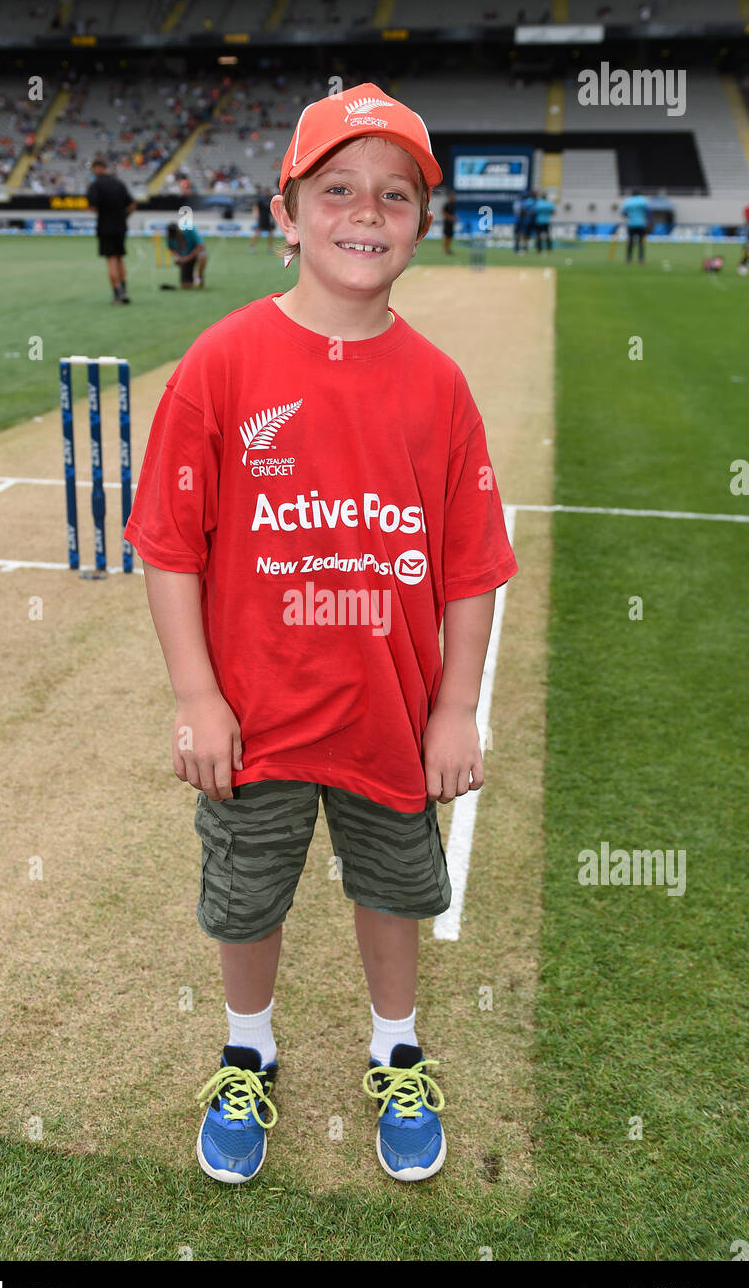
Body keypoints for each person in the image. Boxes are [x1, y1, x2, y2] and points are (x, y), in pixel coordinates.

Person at [123, 82, 518, 1186]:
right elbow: (169, 544)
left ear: (422, 224)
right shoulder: (223, 362)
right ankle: (248, 1050)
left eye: (395, 195)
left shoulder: (438, 386)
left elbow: (471, 567)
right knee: (247, 893)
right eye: (337, 189)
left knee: (392, 888)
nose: (365, 213)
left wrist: (454, 707)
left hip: (390, 715)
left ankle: (397, 1050)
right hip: (256, 718)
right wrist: (197, 696)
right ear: (286, 214)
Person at [86, 155, 135, 304]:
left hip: (105, 228)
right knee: (120, 258)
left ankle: (117, 294)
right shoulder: (119, 183)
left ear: (96, 169)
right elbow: (132, 205)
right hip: (120, 227)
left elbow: (92, 207)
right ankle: (125, 291)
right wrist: (123, 217)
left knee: (111, 259)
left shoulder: (95, 185)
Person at [161, 220, 207, 290]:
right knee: (186, 286)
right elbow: (171, 248)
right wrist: (177, 257)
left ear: (178, 231)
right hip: (184, 257)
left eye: (175, 236)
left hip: (195, 253)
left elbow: (201, 245)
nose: (174, 238)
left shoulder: (190, 229)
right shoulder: (170, 236)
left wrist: (187, 258)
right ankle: (194, 277)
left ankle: (200, 277)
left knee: (202, 256)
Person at [620, 187, 651, 264]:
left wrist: (630, 216)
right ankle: (641, 259)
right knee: (641, 242)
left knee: (630, 242)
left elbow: (624, 213)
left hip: (631, 224)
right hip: (641, 224)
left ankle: (628, 259)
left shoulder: (628, 201)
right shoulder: (643, 200)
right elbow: (648, 212)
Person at [249, 185, 275, 251]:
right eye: (266, 192)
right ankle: (252, 246)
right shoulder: (261, 199)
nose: (267, 193)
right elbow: (255, 207)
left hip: (269, 218)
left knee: (271, 233)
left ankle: (270, 247)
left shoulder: (271, 199)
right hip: (262, 218)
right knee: (258, 232)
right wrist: (256, 214)